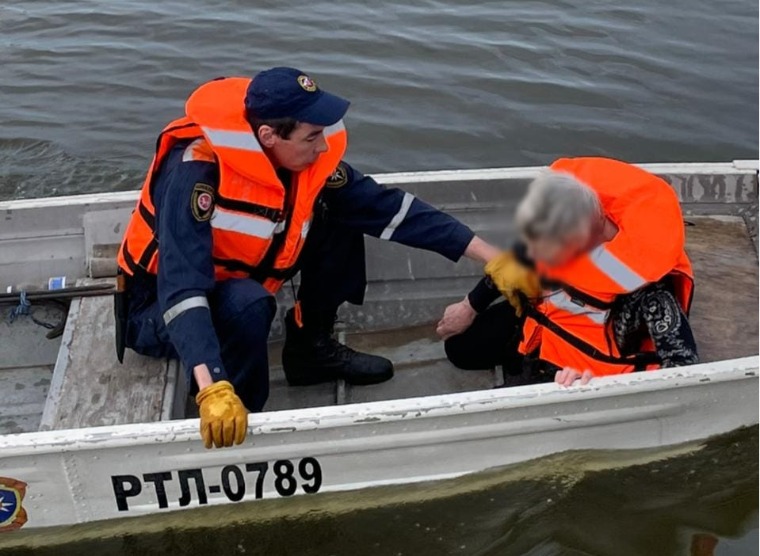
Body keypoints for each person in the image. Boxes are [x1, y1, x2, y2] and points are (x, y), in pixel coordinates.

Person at [116, 67, 498, 449]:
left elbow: (390, 209)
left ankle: (310, 349)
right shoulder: (195, 176)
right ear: (268, 136)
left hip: (234, 283)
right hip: (155, 307)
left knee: (340, 215)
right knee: (247, 303)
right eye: (312, 136)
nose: (323, 147)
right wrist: (213, 387)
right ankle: (242, 419)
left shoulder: (303, 163)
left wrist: (492, 258)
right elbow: (182, 288)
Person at [437, 157, 699, 387]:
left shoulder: (649, 289)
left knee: (495, 414)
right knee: (459, 350)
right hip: (544, 328)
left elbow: (682, 364)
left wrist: (604, 385)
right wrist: (469, 306)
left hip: (584, 372)